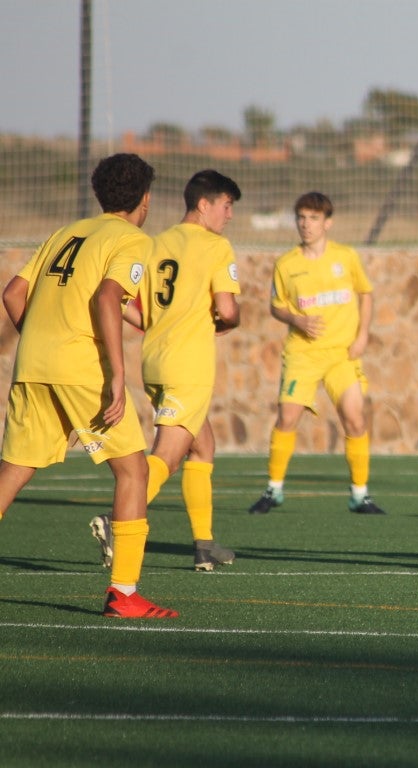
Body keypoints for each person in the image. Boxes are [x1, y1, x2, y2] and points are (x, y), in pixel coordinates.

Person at [0, 153, 177, 618]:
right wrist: (118, 375)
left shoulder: (66, 233)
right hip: (81, 369)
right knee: (134, 471)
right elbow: (107, 297)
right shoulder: (133, 239)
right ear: (145, 199)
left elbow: (12, 293)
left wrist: (42, 343)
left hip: (33, 364)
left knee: (12, 474)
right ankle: (124, 593)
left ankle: (125, 593)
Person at [89, 170, 243, 572]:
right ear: (204, 204)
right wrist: (228, 320)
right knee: (167, 456)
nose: (229, 215)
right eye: (226, 206)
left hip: (154, 362)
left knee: (202, 445)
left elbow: (128, 305)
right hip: (188, 366)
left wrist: (161, 321)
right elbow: (226, 310)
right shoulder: (215, 246)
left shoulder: (155, 244)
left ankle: (205, 544)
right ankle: (115, 520)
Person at [247, 191, 384, 515]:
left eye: (313, 218)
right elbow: (276, 306)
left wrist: (362, 335)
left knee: (354, 417)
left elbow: (366, 293)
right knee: (287, 417)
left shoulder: (346, 257)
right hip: (302, 355)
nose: (306, 225)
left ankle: (360, 494)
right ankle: (273, 490)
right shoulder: (286, 264)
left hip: (341, 354)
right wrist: (296, 318)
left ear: (328, 223)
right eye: (301, 218)